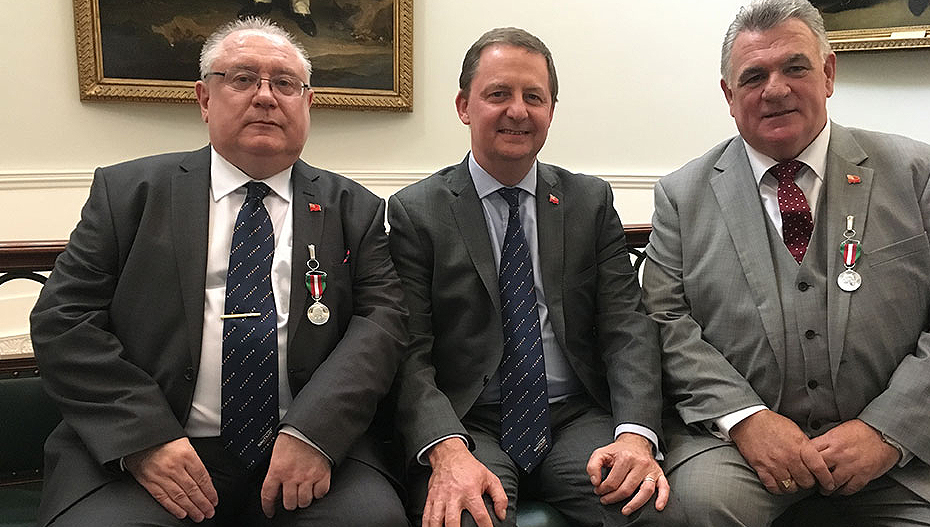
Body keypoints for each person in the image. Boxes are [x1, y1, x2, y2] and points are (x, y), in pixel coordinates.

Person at [29, 18, 407, 527]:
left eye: (284, 84)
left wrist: (314, 431)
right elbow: (63, 320)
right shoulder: (129, 194)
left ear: (307, 103)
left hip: (305, 445)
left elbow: (381, 324)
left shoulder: (354, 209)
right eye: (243, 78)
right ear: (204, 99)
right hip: (152, 445)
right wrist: (147, 438)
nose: (266, 97)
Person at [642, 0, 930, 525]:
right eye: (753, 76)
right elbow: (664, 321)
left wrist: (888, 431)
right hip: (739, 455)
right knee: (694, 508)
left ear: (828, 73)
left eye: (795, 67)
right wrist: (745, 420)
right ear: (730, 96)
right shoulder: (682, 196)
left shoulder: (917, 174)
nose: (775, 89)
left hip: (898, 452)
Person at [387, 27, 670, 527]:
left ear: (551, 111)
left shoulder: (589, 202)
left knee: (649, 512)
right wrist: (446, 450)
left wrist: (634, 434)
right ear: (463, 105)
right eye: (498, 94)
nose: (518, 110)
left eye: (533, 97)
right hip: (470, 423)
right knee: (467, 519)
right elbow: (409, 350)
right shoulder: (418, 212)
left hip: (576, 416)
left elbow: (627, 327)